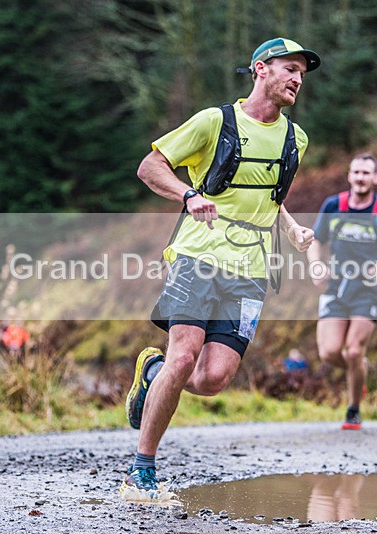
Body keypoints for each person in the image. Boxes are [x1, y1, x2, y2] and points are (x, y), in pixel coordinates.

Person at [120, 37, 320, 501]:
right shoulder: (215, 122)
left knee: (211, 379)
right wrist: (188, 196)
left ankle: (152, 374)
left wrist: (290, 229)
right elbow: (151, 166)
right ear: (260, 70)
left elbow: (272, 193)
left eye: (302, 74)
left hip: (251, 267)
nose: (296, 79)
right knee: (185, 354)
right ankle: (142, 470)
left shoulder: (297, 137)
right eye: (288, 68)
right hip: (198, 255)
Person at [307, 153, 377, 429]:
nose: (361, 178)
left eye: (366, 173)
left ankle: (353, 410)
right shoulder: (334, 205)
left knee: (353, 351)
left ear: (376, 178)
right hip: (336, 288)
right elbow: (316, 240)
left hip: (368, 291)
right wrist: (316, 265)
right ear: (349, 176)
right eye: (356, 172)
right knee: (329, 353)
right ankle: (359, 372)